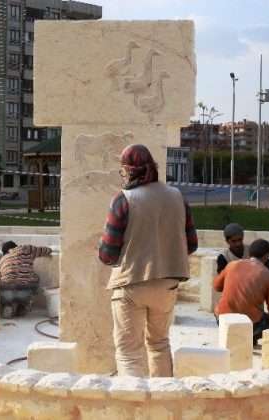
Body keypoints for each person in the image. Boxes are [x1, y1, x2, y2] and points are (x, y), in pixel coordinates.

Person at [98, 144, 199, 378]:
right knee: (160, 344)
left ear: (127, 169)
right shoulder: (177, 197)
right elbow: (191, 244)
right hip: (167, 285)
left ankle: (134, 410)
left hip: (130, 285)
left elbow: (107, 254)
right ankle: (162, 405)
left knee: (129, 352)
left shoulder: (123, 200)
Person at [213, 239, 269, 345]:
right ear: (267, 256)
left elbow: (217, 287)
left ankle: (241, 337)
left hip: (221, 318)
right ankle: (248, 337)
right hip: (250, 325)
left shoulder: (232, 265)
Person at [0, 241, 53, 319]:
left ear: (5, 252)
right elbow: (48, 250)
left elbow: (5, 276)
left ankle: (7, 305)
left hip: (6, 295)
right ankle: (22, 306)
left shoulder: (2, 259)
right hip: (25, 294)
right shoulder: (26, 249)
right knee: (35, 277)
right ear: (15, 246)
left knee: (5, 280)